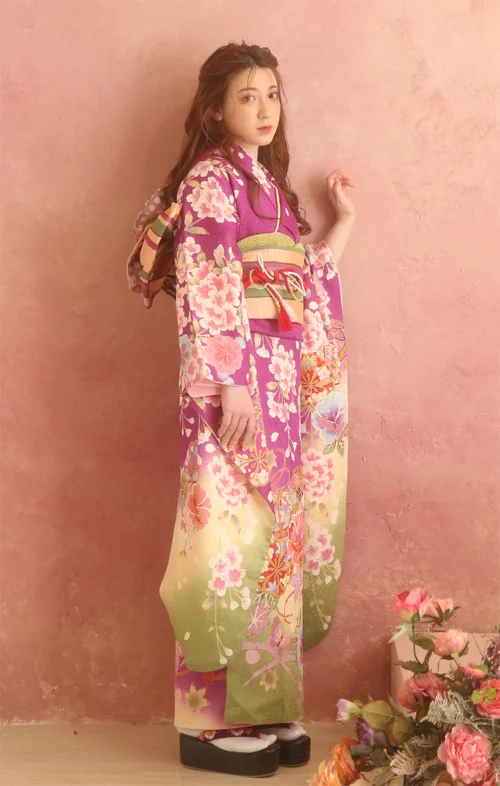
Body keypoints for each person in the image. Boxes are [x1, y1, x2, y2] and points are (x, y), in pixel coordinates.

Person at [126, 41, 354, 779]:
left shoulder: (269, 188)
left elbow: (302, 278)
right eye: (248, 96)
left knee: (274, 541)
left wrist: (343, 221)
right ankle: (206, 722)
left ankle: (261, 704)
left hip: (277, 384)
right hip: (230, 385)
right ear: (216, 108)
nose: (264, 109)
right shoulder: (210, 180)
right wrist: (230, 381)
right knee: (222, 538)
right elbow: (209, 277)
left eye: (272, 95)